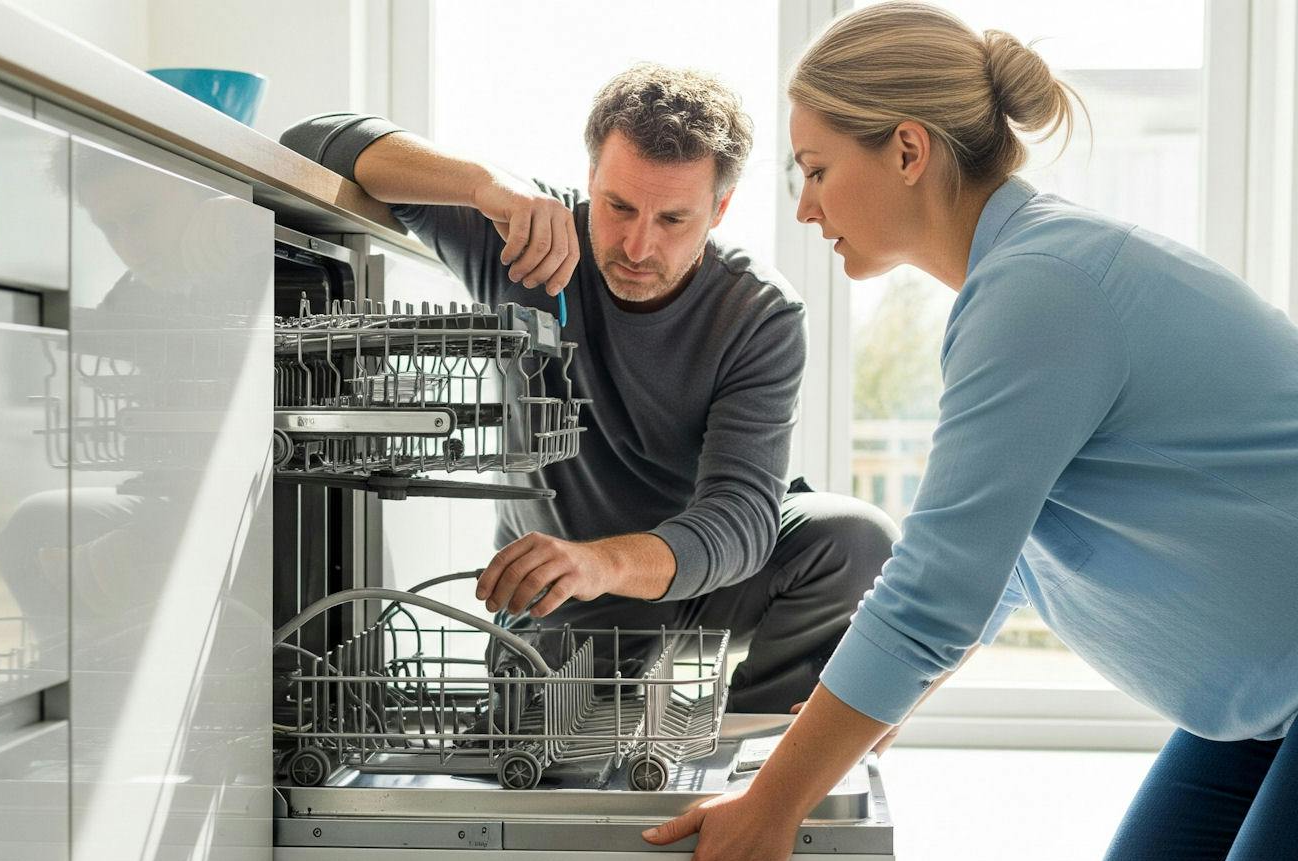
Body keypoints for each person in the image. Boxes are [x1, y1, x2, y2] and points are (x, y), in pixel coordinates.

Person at [642, 4, 1298, 861]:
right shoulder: (1020, 290)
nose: (807, 205)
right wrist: (828, 756)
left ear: (908, 150)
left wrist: (777, 804)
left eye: (817, 169)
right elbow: (991, 576)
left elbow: (931, 594)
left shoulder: (1045, 288)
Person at [280, 66, 898, 713]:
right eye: (619, 206)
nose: (637, 244)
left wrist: (602, 560)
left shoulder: (758, 312)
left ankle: (759, 753)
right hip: (562, 603)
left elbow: (741, 519)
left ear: (719, 209)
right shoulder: (525, 241)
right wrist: (487, 185)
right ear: (591, 179)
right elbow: (308, 142)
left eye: (674, 219)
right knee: (547, 755)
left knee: (857, 540)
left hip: (695, 580)